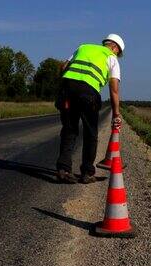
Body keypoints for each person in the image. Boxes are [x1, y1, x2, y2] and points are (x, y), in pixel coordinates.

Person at [55, 33, 125, 184]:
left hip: (67, 90)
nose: (117, 55)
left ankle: (63, 170)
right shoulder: (111, 58)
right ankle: (87, 173)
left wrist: (64, 87)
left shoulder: (83, 47)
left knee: (69, 129)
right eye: (118, 52)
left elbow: (63, 66)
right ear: (115, 47)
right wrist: (116, 114)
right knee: (90, 133)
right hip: (88, 94)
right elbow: (114, 90)